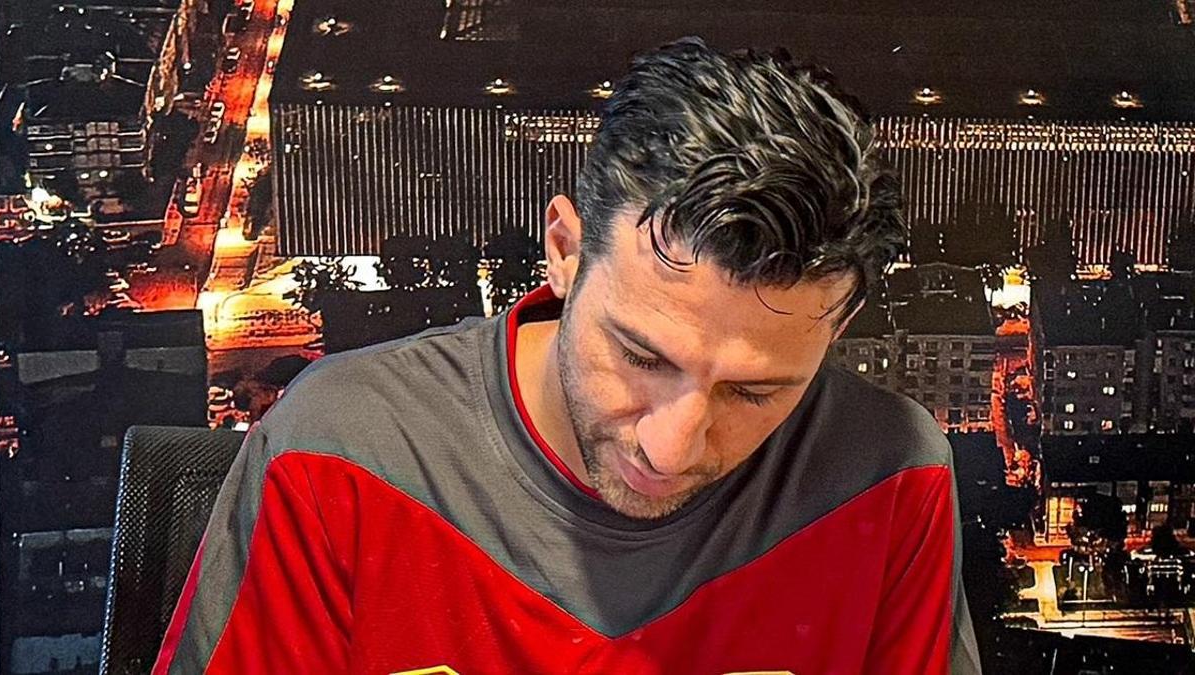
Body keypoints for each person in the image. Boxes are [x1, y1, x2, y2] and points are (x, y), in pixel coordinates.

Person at [153, 36, 982, 674]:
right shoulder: (341, 455)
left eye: (755, 392)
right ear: (563, 250)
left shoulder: (889, 478)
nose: (670, 447)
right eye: (640, 356)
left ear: (838, 330)